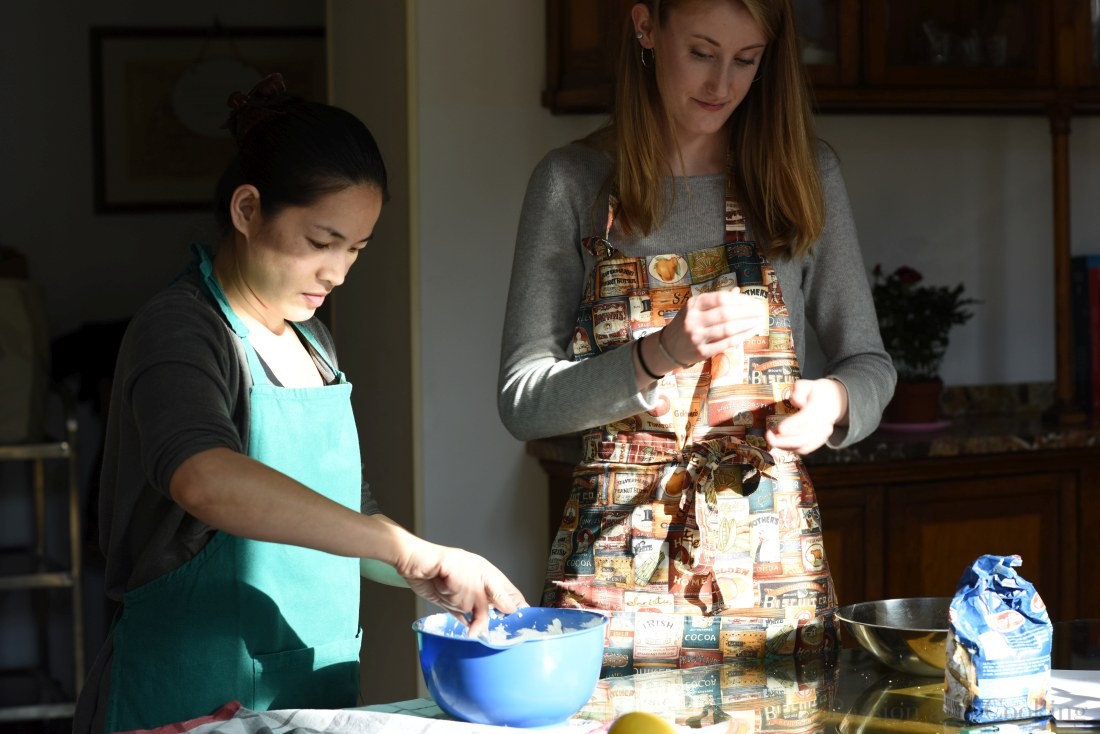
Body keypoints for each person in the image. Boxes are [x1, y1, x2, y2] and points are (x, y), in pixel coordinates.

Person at [74, 74, 526, 734]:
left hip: (305, 689)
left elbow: (343, 512)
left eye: (356, 250)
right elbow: (203, 476)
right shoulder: (182, 328)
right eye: (321, 243)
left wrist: (420, 570)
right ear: (248, 209)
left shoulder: (314, 342)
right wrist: (404, 549)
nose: (338, 273)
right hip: (184, 696)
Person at [498, 0, 895, 672]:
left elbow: (871, 363)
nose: (722, 85)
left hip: (770, 573)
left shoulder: (800, 176)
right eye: (702, 52)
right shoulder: (574, 183)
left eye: (747, 60)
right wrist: (658, 354)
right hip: (615, 566)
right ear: (646, 27)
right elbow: (522, 401)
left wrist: (833, 401)